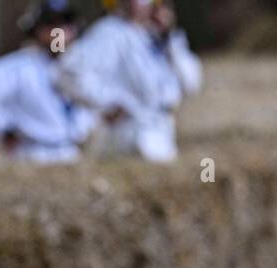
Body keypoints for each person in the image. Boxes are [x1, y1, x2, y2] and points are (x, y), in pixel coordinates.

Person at [58, 0, 201, 163]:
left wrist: (169, 37)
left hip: (162, 136)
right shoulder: (109, 32)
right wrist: (110, 103)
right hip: (132, 138)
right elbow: (69, 73)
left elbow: (191, 83)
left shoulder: (155, 37)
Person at [0, 0, 95, 164]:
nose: (59, 32)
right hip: (32, 155)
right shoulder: (18, 68)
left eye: (66, 24)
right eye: (52, 25)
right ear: (36, 29)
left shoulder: (78, 70)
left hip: (70, 155)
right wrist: (6, 127)